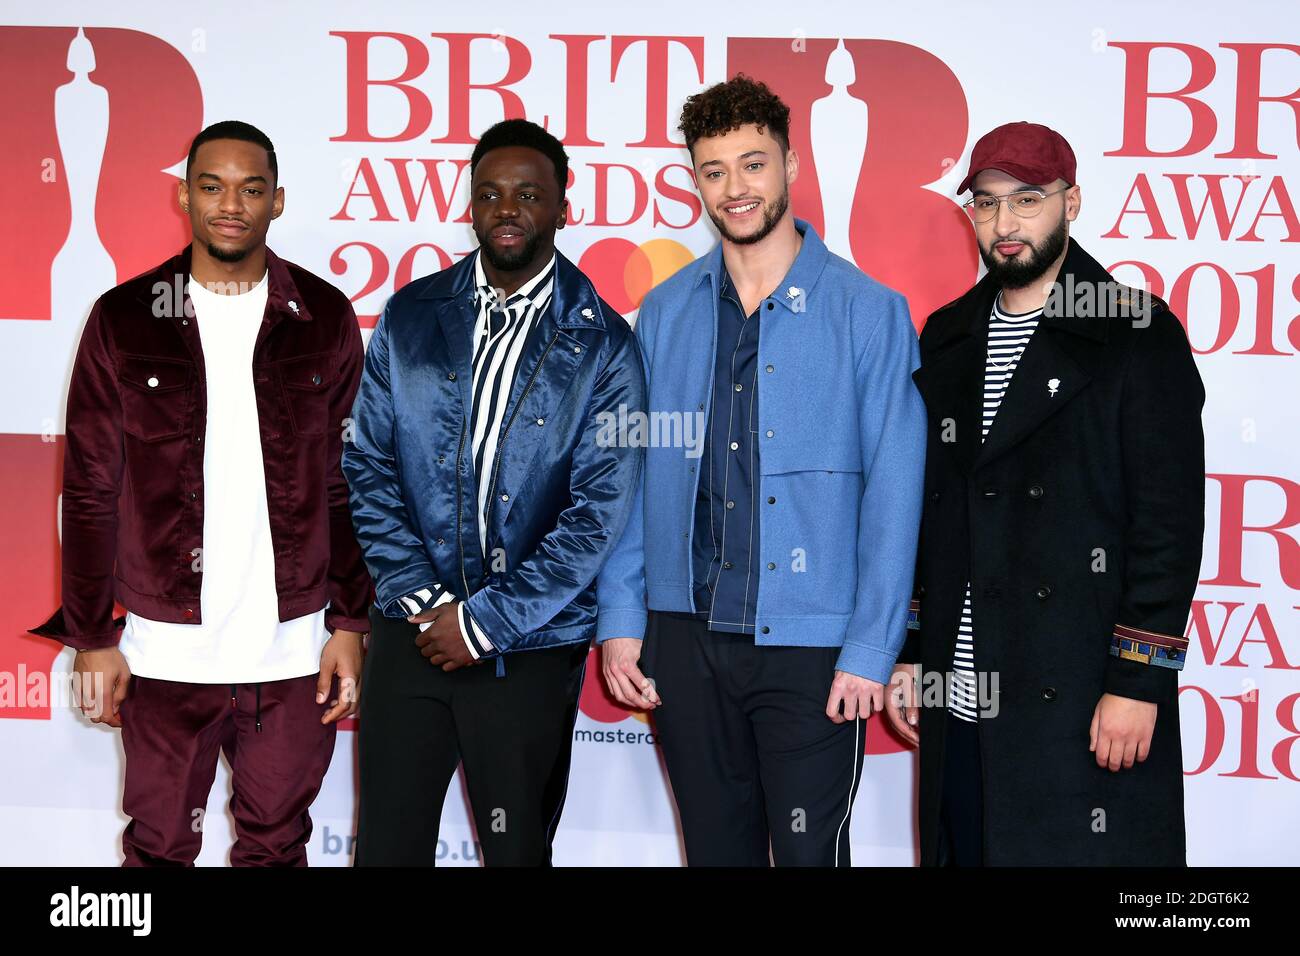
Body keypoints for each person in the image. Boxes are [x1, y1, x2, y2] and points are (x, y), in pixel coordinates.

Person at [597, 75, 927, 866]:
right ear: (695, 181)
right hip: (684, 639)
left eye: (753, 164)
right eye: (715, 171)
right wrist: (620, 617)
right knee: (715, 853)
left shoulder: (868, 311)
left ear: (791, 163)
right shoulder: (666, 310)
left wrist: (872, 649)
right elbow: (631, 474)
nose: (735, 188)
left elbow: (896, 488)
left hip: (814, 646)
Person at [32, 120, 371, 866]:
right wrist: (91, 637)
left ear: (277, 202)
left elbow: (351, 483)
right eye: (212, 186)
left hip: (293, 648)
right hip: (161, 652)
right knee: (156, 849)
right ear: (184, 194)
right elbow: (90, 488)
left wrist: (350, 621)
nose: (230, 205)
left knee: (276, 845)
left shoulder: (323, 315)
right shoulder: (124, 319)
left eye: (251, 189)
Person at [884, 121, 1205, 866]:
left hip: (1080, 689)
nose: (1005, 223)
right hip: (961, 691)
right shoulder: (948, 334)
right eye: (987, 203)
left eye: (1028, 200)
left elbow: (1169, 524)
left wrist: (1138, 681)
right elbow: (930, 509)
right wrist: (912, 653)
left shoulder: (1134, 331)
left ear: (1072, 202)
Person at [345, 118, 646, 866]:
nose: (507, 209)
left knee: (516, 853)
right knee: (386, 847)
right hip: (410, 633)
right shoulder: (411, 316)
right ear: (470, 206)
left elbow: (597, 515)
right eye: (490, 194)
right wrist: (422, 600)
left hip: (529, 644)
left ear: (562, 208)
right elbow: (368, 465)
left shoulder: (608, 344)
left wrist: (484, 625)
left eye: (528, 195)